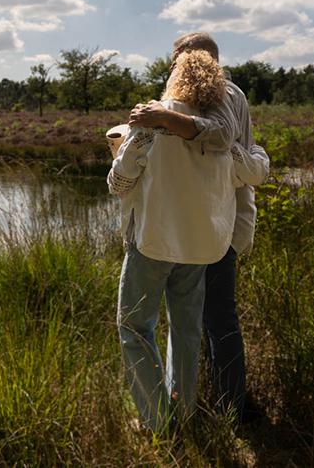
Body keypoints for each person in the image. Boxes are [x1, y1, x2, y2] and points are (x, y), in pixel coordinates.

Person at [129, 32, 271, 425]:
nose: (177, 64)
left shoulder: (224, 94)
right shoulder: (201, 93)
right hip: (205, 224)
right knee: (196, 320)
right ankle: (207, 407)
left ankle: (224, 411)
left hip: (213, 225)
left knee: (213, 319)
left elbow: (224, 142)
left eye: (179, 57)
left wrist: (159, 121)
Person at [106, 44, 238, 433]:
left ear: (175, 77)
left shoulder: (151, 121)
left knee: (134, 327)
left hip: (155, 241)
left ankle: (157, 422)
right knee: (186, 330)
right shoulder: (218, 135)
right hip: (199, 247)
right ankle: (186, 414)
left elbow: (121, 182)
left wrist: (118, 151)